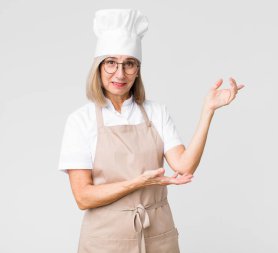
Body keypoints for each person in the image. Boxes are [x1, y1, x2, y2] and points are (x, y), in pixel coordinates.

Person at [58, 8, 244, 253]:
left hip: (158, 236)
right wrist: (137, 183)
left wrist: (208, 111)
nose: (120, 73)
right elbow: (84, 197)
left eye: (129, 64)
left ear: (138, 69)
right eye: (111, 63)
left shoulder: (156, 112)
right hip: (105, 241)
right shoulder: (80, 121)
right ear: (99, 67)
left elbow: (184, 166)